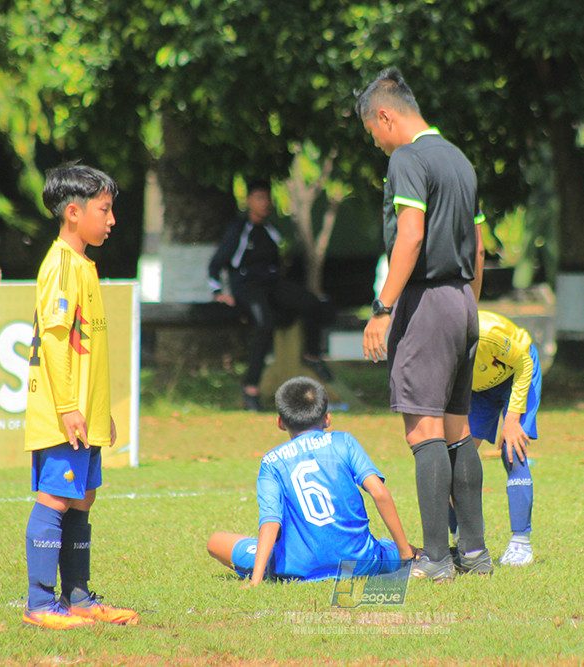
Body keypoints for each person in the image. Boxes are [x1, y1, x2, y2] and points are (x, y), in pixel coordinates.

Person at [354, 67, 490, 582]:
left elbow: (409, 237)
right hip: (462, 299)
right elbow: (477, 247)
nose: (379, 144)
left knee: (423, 431)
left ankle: (434, 559)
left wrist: (384, 308)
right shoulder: (458, 159)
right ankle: (473, 554)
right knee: (457, 430)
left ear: (386, 116)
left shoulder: (408, 158)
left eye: (374, 133)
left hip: (427, 300)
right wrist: (467, 307)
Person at [22, 163, 138, 629]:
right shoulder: (60, 266)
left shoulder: (84, 264)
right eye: (104, 210)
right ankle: (39, 603)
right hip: (61, 414)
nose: (111, 221)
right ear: (74, 212)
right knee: (55, 499)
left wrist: (97, 411)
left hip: (83, 415)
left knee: (83, 498)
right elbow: (52, 341)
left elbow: (82, 346)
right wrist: (70, 407)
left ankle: (78, 598)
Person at [206, 376, 416, 583]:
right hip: (360, 562)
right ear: (327, 418)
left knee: (216, 542)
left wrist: (257, 579)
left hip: (298, 568)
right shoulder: (344, 442)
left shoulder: (271, 461)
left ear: (280, 422)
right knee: (399, 548)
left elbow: (271, 521)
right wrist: (405, 553)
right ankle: (415, 556)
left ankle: (271, 567)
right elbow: (379, 492)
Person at [208, 180, 333, 411]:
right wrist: (218, 292)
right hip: (247, 287)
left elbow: (279, 266)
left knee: (312, 303)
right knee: (265, 324)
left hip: (271, 285)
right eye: (260, 198)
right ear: (249, 202)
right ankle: (250, 387)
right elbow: (216, 264)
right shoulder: (239, 230)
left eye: (268, 198)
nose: (265, 203)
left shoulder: (272, 231)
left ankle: (312, 355)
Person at [447, 310, 540, 566]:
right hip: (477, 390)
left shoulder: (487, 334)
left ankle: (521, 544)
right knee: (451, 458)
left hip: (518, 375)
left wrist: (511, 420)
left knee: (513, 451)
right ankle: (462, 538)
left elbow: (523, 362)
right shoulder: (433, 344)